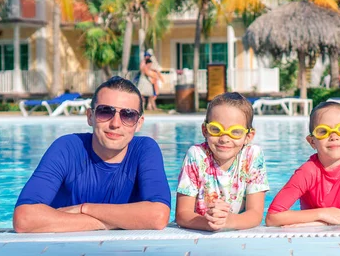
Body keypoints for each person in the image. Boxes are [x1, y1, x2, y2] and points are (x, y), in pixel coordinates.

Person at [13, 77, 171, 233]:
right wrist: (115, 221)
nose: (115, 123)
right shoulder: (67, 148)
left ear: (139, 123)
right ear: (90, 116)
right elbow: (24, 219)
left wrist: (85, 208)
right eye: (105, 112)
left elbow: (158, 216)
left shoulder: (144, 150)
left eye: (128, 115)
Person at [265, 102, 340, 227]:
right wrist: (323, 214)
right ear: (312, 142)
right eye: (323, 131)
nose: (334, 136)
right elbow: (272, 217)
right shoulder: (308, 172)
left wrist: (320, 223)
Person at [175, 92, 269, 231]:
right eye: (215, 129)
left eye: (235, 132)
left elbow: (255, 214)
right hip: (200, 229)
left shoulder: (252, 156)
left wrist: (228, 221)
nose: (224, 138)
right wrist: (208, 222)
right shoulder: (196, 155)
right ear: (204, 130)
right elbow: (182, 214)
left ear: (248, 136)